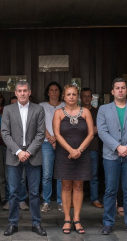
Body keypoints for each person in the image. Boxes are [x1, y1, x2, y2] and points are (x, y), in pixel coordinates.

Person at [97, 78, 127, 236]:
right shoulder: (103, 109)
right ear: (112, 91)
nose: (120, 90)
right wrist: (117, 147)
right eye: (117, 88)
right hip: (111, 156)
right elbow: (102, 131)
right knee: (110, 190)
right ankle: (108, 223)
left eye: (123, 88)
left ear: (126, 91)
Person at [1, 81, 47, 237]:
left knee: (34, 193)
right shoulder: (7, 110)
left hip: (33, 155)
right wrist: (19, 151)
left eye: (24, 90)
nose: (22, 93)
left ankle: (36, 223)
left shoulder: (38, 109)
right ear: (15, 93)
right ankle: (13, 223)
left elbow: (41, 134)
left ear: (29, 92)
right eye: (19, 91)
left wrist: (28, 151)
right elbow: (5, 133)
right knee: (13, 192)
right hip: (14, 156)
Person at [53, 85, 94, 234]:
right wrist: (71, 150)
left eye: (74, 94)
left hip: (82, 153)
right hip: (64, 154)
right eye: (68, 94)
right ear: (64, 97)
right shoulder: (58, 113)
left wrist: (79, 150)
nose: (71, 96)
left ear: (78, 97)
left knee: (78, 186)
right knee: (66, 186)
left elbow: (90, 134)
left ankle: (76, 218)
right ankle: (66, 219)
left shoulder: (86, 112)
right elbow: (57, 134)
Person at [39, 82, 65, 213]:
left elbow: (66, 125)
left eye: (56, 90)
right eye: (51, 90)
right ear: (47, 93)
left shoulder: (65, 106)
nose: (54, 92)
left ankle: (61, 202)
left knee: (61, 174)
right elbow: (39, 124)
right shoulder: (41, 106)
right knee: (47, 174)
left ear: (60, 92)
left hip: (62, 144)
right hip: (45, 143)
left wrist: (56, 138)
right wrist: (50, 137)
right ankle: (46, 201)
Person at [80, 87, 104, 208]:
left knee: (94, 174)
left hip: (93, 147)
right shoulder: (77, 111)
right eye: (84, 96)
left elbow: (99, 128)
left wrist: (85, 132)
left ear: (92, 98)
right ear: (81, 97)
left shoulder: (97, 111)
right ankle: (77, 199)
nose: (87, 98)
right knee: (78, 174)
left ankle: (94, 199)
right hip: (78, 147)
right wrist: (90, 131)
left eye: (89, 96)